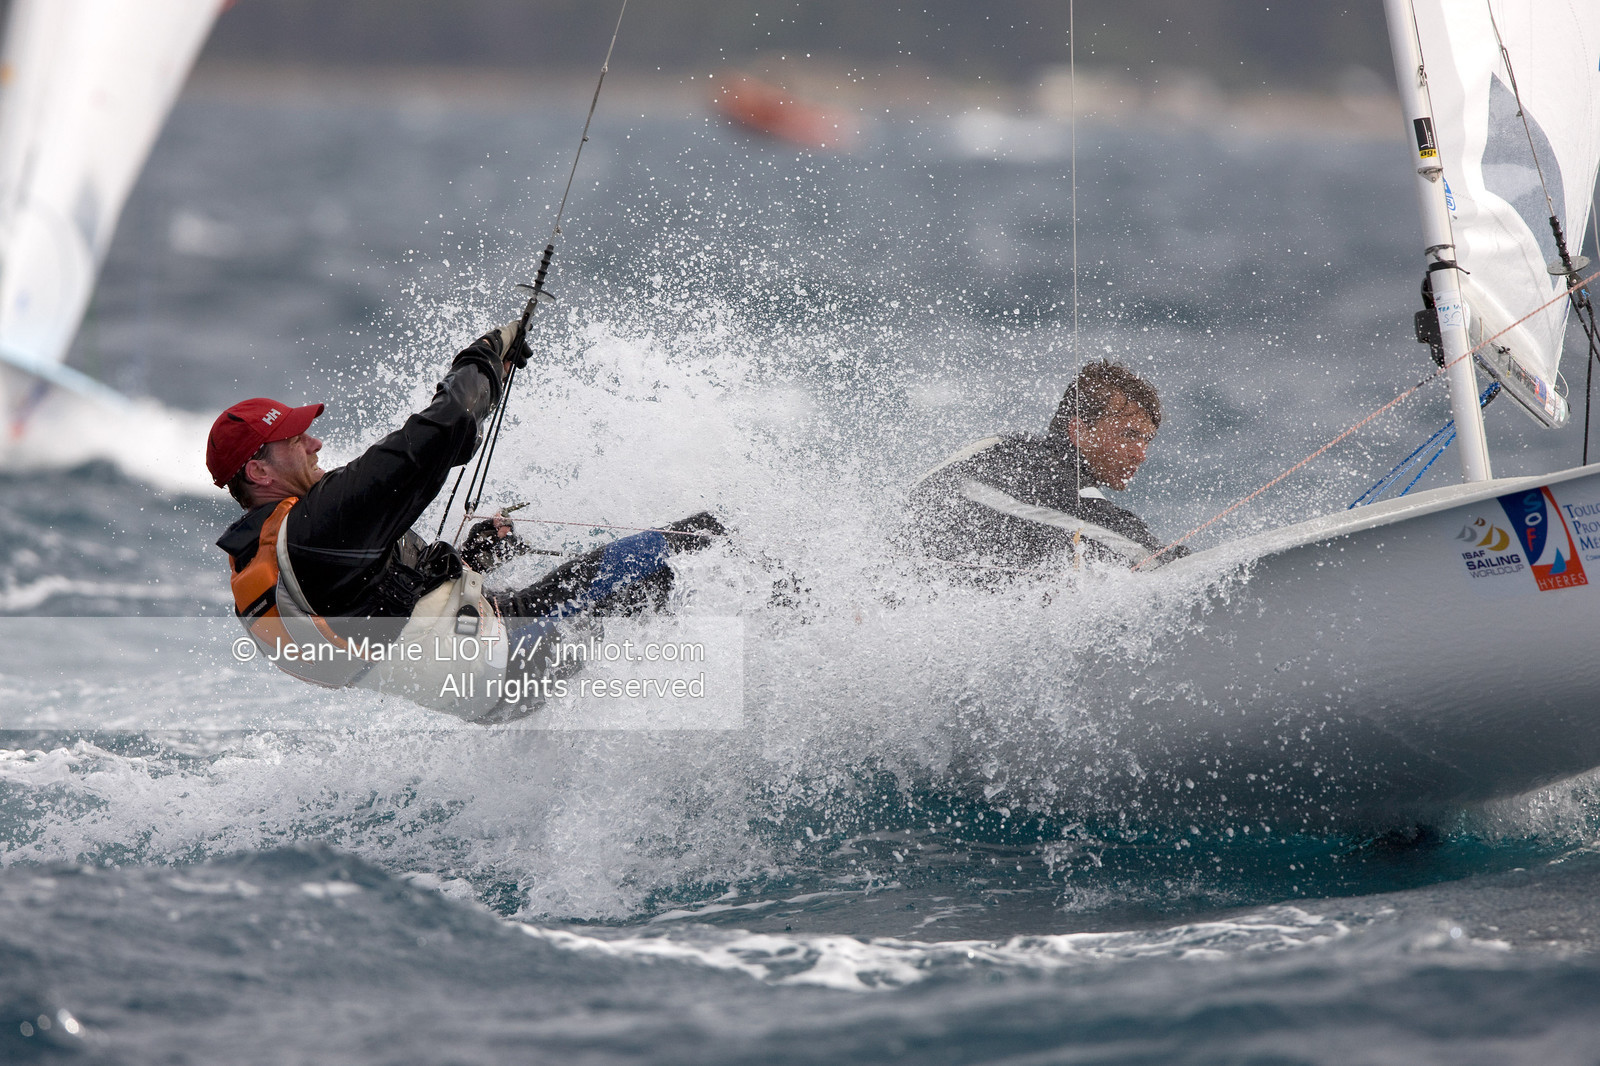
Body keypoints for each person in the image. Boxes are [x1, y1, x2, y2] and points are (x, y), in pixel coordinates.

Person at [209, 320, 724, 723]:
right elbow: (447, 423)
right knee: (697, 544)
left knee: (648, 591)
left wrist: (473, 558)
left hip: (489, 691)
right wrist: (485, 354)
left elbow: (381, 612)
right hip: (519, 650)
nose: (314, 443)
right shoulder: (316, 528)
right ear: (259, 470)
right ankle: (798, 632)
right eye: (296, 440)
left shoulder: (274, 564)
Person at [905, 359, 1188, 573]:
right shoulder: (1044, 476)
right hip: (914, 600)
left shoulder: (1001, 444)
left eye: (1147, 440)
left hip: (891, 580)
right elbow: (1145, 556)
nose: (1140, 455)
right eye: (1129, 436)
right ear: (1079, 431)